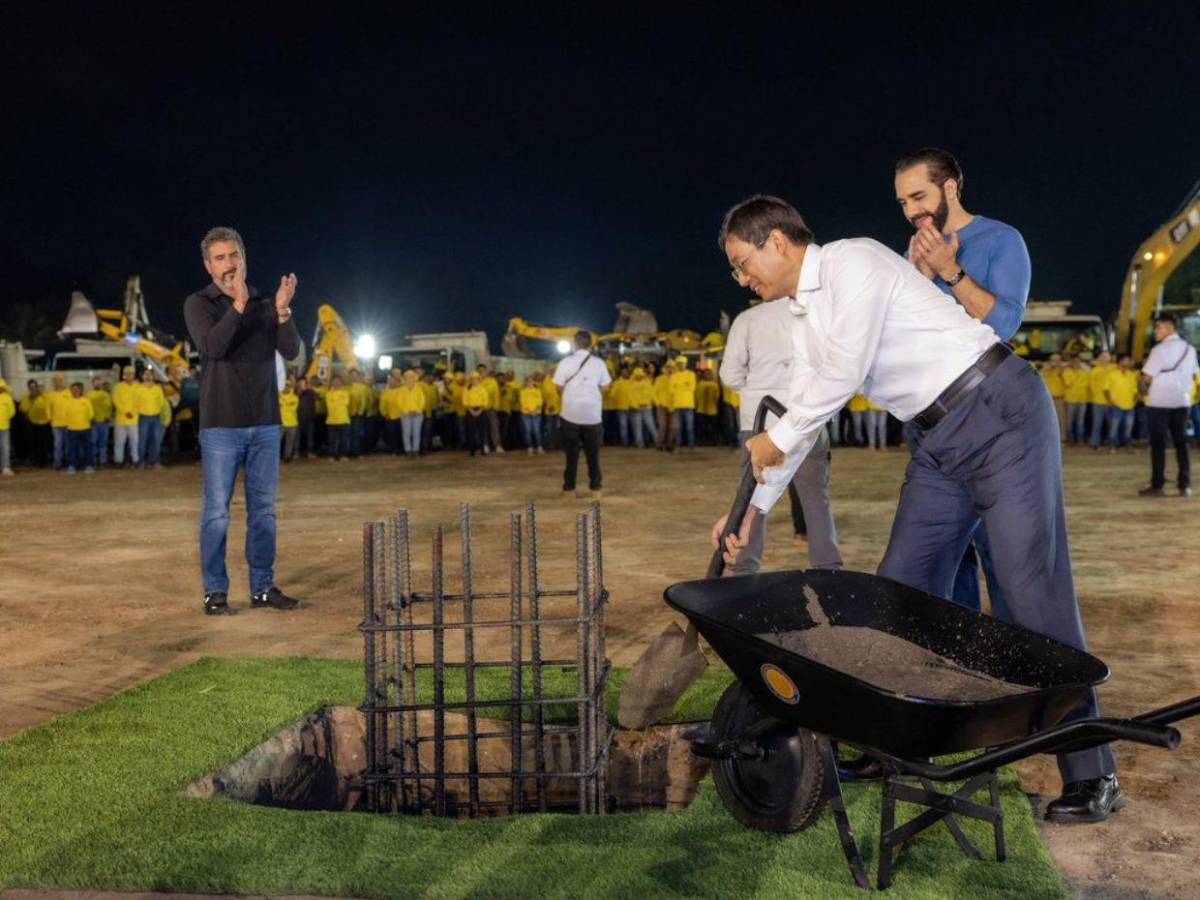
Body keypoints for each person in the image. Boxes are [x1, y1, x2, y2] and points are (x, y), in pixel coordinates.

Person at [713, 194, 1119, 822]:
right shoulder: (800, 316)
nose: (743, 279)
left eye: (743, 263)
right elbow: (800, 411)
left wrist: (780, 436)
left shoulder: (854, 262)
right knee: (899, 594)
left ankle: (1094, 774)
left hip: (999, 411)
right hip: (936, 441)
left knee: (1030, 590)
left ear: (776, 241)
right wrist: (751, 514)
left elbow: (838, 377)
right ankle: (891, 746)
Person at [896, 147, 1030, 617]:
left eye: (919, 196)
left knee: (1004, 554)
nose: (912, 212)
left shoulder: (1001, 240)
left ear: (950, 187)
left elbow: (1005, 325)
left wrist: (950, 272)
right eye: (904, 203)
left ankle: (1020, 669)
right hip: (931, 427)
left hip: (989, 424)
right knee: (949, 561)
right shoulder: (908, 256)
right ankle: (959, 656)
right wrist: (915, 277)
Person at [183, 225, 302, 616]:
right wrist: (237, 304)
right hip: (221, 427)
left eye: (234, 255)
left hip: (266, 423)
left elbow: (292, 350)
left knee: (263, 512)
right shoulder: (199, 304)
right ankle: (215, 591)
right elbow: (213, 347)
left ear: (244, 257)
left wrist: (282, 311)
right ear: (208, 265)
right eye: (220, 258)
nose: (229, 264)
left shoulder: (266, 301)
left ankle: (263, 587)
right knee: (217, 513)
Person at [720, 285, 843, 572]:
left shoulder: (748, 320)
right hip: (808, 421)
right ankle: (829, 569)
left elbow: (729, 376)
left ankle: (745, 569)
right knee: (816, 500)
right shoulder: (813, 316)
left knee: (753, 498)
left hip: (759, 424)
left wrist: (758, 382)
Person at [1140, 312, 1199, 497]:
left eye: (1158, 327)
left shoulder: (1159, 350)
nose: (1156, 331)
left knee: (1158, 444)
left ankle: (1158, 484)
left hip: (1159, 402)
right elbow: (1195, 374)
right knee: (1181, 443)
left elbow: (1147, 377)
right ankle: (1185, 484)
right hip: (1182, 401)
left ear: (1169, 327)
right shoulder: (1190, 349)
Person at [553, 330, 610, 497]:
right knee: (593, 454)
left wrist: (570, 396)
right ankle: (596, 488)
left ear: (575, 343)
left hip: (570, 414)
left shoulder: (565, 362)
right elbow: (606, 386)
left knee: (571, 455)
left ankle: (569, 489)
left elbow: (558, 386)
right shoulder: (599, 363)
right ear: (590, 344)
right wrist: (592, 396)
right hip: (592, 415)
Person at [1104, 356, 1139, 450]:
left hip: (1130, 405)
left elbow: (1135, 390)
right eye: (1126, 360)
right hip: (1116, 405)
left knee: (1128, 427)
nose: (1128, 362)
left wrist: (1134, 401)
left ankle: (1128, 445)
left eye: (1128, 360)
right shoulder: (1112, 374)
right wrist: (1110, 401)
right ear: (1120, 362)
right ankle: (1112, 445)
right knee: (1114, 427)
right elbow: (1106, 389)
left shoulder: (1131, 375)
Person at [135, 369, 167, 468]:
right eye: (146, 374)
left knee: (156, 441)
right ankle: (141, 462)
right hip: (143, 417)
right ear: (142, 377)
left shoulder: (158, 388)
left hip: (156, 417)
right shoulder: (138, 388)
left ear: (153, 377)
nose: (148, 376)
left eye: (150, 374)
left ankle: (155, 462)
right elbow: (135, 403)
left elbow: (161, 403)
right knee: (142, 441)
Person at [111, 365, 140, 466]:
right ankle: (118, 460)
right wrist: (125, 412)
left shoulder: (138, 386)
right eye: (127, 374)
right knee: (119, 441)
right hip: (121, 419)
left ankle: (135, 460)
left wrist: (133, 412)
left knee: (134, 441)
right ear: (124, 375)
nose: (129, 376)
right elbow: (116, 401)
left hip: (133, 419)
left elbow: (139, 402)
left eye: (131, 374)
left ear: (134, 375)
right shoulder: (118, 387)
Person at [62, 382, 95, 474]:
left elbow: (91, 414)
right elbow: (64, 415)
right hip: (72, 429)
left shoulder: (86, 401)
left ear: (80, 391)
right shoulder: (67, 402)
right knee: (72, 449)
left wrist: (85, 421)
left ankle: (89, 466)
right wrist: (68, 424)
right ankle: (72, 466)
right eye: (73, 390)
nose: (75, 391)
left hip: (85, 428)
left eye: (77, 390)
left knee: (87, 448)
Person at [18, 380, 51, 467]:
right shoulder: (26, 397)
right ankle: (36, 461)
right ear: (29, 388)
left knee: (43, 443)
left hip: (44, 422)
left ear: (37, 387)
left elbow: (47, 407)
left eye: (34, 386)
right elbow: (23, 409)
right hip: (32, 422)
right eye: (31, 387)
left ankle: (44, 461)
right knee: (34, 443)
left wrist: (49, 419)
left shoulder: (44, 396)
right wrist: (29, 401)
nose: (33, 388)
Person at [669, 356, 697, 449]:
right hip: (677, 405)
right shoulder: (673, 376)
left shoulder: (691, 374)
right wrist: (685, 385)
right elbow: (671, 390)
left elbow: (692, 388)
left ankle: (691, 446)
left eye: (682, 363)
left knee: (689, 427)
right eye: (679, 363)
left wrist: (678, 386)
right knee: (678, 428)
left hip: (688, 404)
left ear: (686, 364)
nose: (681, 365)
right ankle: (678, 445)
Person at [1088, 351, 1114, 449]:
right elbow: (1091, 386)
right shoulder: (1094, 370)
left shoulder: (1114, 369)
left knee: (1111, 423)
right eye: (1102, 356)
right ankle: (1095, 442)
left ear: (1110, 358)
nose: (1104, 358)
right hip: (1098, 400)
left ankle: (1111, 442)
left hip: (1112, 400)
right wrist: (1095, 395)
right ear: (1099, 358)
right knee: (1097, 423)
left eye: (1107, 356)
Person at [397, 369, 426, 457]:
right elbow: (399, 402)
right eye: (407, 377)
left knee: (416, 432)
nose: (410, 379)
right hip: (406, 415)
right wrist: (407, 411)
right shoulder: (401, 390)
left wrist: (417, 410)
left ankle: (416, 450)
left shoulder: (418, 389)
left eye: (411, 377)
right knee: (406, 433)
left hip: (417, 414)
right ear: (405, 379)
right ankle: (408, 450)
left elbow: (422, 401)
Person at [1063, 355, 1091, 445]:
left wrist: (1076, 380)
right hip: (1071, 400)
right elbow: (1067, 383)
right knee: (1069, 421)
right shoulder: (1066, 372)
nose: (1076, 363)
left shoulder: (1085, 372)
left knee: (1080, 421)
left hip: (1082, 400)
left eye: (1078, 361)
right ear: (1070, 363)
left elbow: (1086, 384)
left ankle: (1080, 440)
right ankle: (1071, 439)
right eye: (1074, 361)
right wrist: (1078, 379)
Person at [1041, 353, 1069, 442]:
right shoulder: (1045, 371)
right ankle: (1048, 439)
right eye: (1053, 360)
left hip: (1060, 399)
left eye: (1057, 360)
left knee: (1061, 420)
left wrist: (1062, 372)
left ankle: (1062, 439)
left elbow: (1068, 383)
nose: (1055, 362)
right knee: (1046, 419)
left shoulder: (1065, 370)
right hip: (1047, 400)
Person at [324, 373, 352, 461]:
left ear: (341, 382)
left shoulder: (345, 392)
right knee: (332, 439)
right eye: (334, 381)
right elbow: (329, 405)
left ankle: (343, 455)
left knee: (343, 438)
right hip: (332, 419)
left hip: (343, 419)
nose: (336, 383)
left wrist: (336, 402)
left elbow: (346, 403)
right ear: (331, 383)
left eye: (338, 381)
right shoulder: (328, 394)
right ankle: (332, 455)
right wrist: (338, 402)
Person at [628, 366, 658, 449]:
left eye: (640, 375)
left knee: (651, 426)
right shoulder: (631, 384)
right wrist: (636, 406)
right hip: (636, 409)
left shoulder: (647, 383)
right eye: (637, 375)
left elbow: (651, 394)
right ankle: (640, 444)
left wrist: (654, 403)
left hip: (647, 408)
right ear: (634, 375)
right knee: (638, 428)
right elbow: (630, 397)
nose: (638, 376)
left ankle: (658, 443)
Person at [86, 377, 113, 467]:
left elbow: (109, 407)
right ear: (92, 384)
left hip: (104, 422)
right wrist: (90, 419)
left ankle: (103, 461)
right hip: (93, 423)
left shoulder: (106, 395)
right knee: (93, 443)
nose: (97, 384)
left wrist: (107, 417)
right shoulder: (88, 395)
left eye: (99, 383)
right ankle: (93, 461)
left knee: (103, 443)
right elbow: (87, 409)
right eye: (96, 383)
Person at [46, 373, 71, 470]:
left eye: (59, 380)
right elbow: (47, 408)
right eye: (55, 380)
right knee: (57, 444)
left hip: (68, 423)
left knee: (68, 445)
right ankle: (58, 464)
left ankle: (68, 462)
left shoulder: (69, 393)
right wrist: (49, 418)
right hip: (56, 424)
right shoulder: (50, 394)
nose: (57, 382)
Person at [463, 372, 491, 456]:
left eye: (476, 379)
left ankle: (482, 449)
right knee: (471, 431)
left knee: (482, 431)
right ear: (470, 380)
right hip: (470, 410)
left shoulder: (482, 389)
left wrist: (480, 410)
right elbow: (465, 400)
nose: (474, 380)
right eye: (473, 379)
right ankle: (472, 450)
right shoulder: (467, 389)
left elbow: (485, 400)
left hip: (481, 410)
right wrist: (471, 410)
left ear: (479, 379)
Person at [519, 374, 545, 453]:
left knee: (536, 430)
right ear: (525, 383)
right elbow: (522, 402)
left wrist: (535, 410)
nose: (529, 383)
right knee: (528, 431)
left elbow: (540, 402)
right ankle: (530, 447)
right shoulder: (523, 391)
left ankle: (539, 446)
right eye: (528, 381)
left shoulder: (538, 391)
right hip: (526, 414)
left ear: (534, 382)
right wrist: (530, 411)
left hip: (536, 413)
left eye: (531, 381)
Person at [654, 360, 675, 451]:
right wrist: (658, 403)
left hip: (674, 406)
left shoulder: (677, 378)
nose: (670, 369)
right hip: (661, 406)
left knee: (672, 427)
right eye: (669, 367)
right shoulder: (659, 379)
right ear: (666, 368)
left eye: (672, 367)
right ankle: (660, 444)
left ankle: (669, 444)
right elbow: (654, 392)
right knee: (662, 426)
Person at [695, 367, 721, 444]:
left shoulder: (713, 384)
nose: (708, 375)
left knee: (711, 428)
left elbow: (717, 397)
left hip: (710, 410)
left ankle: (710, 442)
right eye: (706, 374)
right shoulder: (701, 384)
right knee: (702, 428)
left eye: (709, 374)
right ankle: (704, 442)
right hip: (703, 410)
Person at [296, 375, 318, 458]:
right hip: (297, 418)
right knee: (297, 437)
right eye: (300, 382)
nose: (301, 384)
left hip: (309, 417)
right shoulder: (293, 392)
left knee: (310, 436)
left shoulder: (311, 391)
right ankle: (296, 452)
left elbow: (317, 399)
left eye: (303, 382)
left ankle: (310, 451)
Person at [280, 377, 300, 461]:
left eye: (287, 386)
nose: (286, 387)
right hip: (280, 424)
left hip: (292, 423)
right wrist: (287, 406)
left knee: (290, 443)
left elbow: (293, 409)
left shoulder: (295, 397)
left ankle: (287, 457)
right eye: (284, 386)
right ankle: (275, 457)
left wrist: (283, 407)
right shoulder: (277, 396)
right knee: (277, 443)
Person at [0, 377, 15, 475]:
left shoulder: (7, 397)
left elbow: (12, 411)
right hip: (4, 426)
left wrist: (5, 418)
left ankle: (5, 467)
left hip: (4, 426)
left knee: (5, 447)